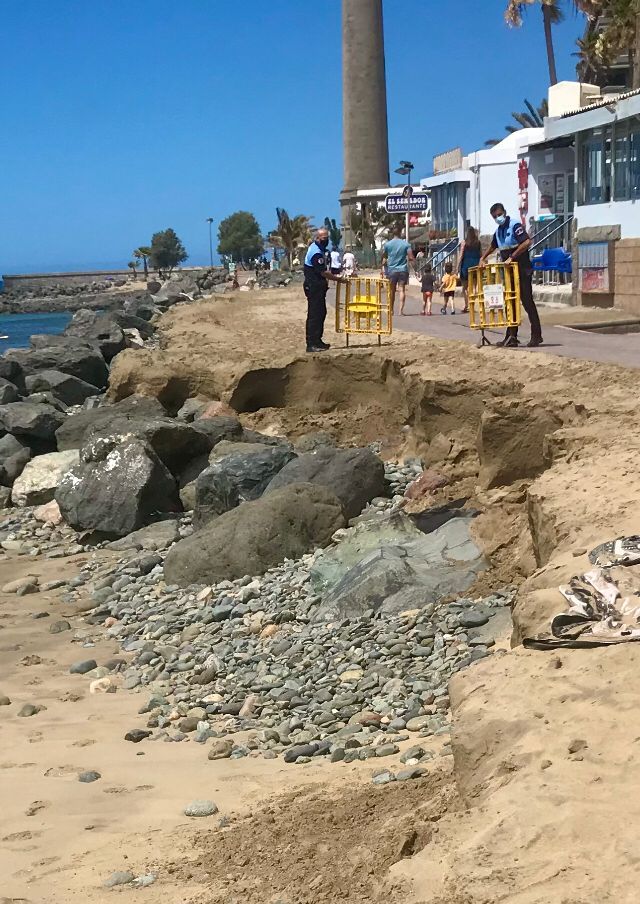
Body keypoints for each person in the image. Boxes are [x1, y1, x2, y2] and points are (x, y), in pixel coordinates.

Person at [479, 202, 543, 348]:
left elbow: (526, 242)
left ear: (504, 213)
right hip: (509, 274)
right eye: (495, 216)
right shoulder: (499, 231)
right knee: (511, 303)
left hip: (522, 270)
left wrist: (512, 257)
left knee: (527, 302)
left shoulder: (514, 225)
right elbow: (493, 245)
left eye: (499, 215)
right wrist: (483, 258)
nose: (498, 218)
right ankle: (511, 336)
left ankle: (536, 335)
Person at [303, 227, 343, 353]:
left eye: (327, 238)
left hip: (319, 288)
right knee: (314, 315)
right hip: (313, 287)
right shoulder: (315, 252)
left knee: (321, 313)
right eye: (324, 238)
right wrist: (338, 279)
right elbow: (323, 272)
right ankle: (311, 343)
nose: (326, 241)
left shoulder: (320, 250)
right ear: (318, 238)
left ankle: (318, 340)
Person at [381, 224, 414, 315]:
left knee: (391, 290)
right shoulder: (406, 244)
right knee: (402, 290)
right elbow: (411, 257)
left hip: (392, 270)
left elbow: (384, 258)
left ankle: (391, 310)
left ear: (392, 233)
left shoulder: (387, 244)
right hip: (403, 270)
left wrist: (383, 267)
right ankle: (401, 311)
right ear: (400, 232)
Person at [458, 227, 481, 314]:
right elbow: (481, 254)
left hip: (466, 265)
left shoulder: (464, 242)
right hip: (475, 265)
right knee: (474, 287)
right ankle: (473, 305)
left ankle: (467, 305)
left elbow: (461, 255)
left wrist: (458, 265)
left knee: (465, 288)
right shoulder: (478, 242)